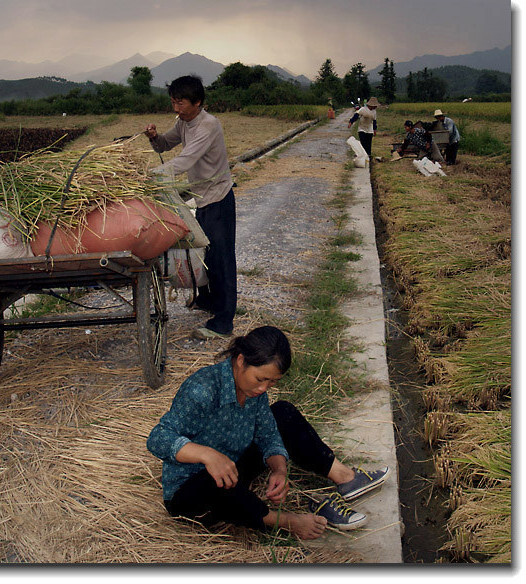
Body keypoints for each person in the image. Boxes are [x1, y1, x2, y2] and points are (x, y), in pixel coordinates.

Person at [147, 326, 389, 540]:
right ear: (240, 360)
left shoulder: (255, 392)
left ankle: (345, 478)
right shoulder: (203, 389)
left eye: (272, 383)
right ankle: (287, 522)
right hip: (193, 490)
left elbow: (268, 433)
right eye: (260, 379)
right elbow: (158, 438)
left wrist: (279, 469)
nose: (263, 388)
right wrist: (207, 455)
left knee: (282, 412)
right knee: (217, 484)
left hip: (232, 467)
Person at [144, 75, 236, 341]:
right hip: (202, 197)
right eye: (173, 102)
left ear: (197, 102)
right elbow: (165, 144)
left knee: (222, 259)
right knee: (204, 253)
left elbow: (184, 161)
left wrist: (148, 178)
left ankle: (224, 321)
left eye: (181, 103)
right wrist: (154, 138)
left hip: (218, 198)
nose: (176, 108)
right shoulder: (184, 122)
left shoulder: (207, 126)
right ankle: (208, 301)